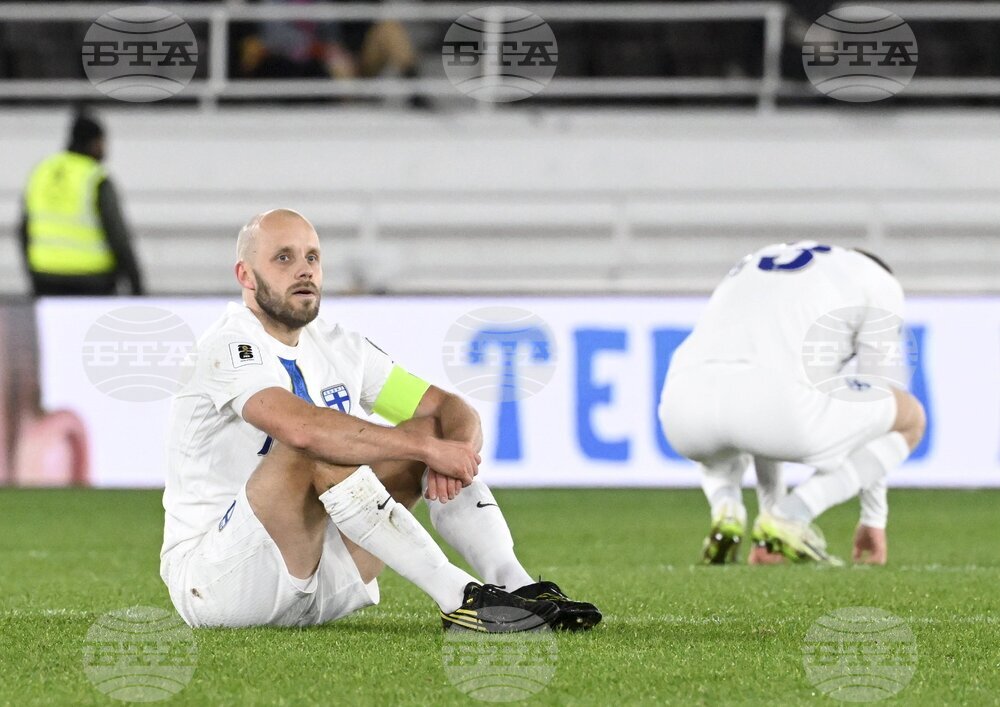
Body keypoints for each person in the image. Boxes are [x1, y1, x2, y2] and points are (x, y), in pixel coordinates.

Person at [160, 208, 601, 631]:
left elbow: (447, 408)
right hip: (217, 582)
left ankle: (515, 583)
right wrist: (427, 450)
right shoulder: (227, 344)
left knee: (425, 430)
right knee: (322, 442)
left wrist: (453, 453)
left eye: (312, 257)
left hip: (321, 579)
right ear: (245, 275)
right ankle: (459, 598)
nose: (304, 270)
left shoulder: (339, 345)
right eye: (283, 258)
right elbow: (302, 430)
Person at [658, 242, 926, 566]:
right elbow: (875, 394)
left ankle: (726, 506)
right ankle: (793, 516)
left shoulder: (760, 258)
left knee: (741, 414)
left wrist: (768, 511)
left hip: (681, 408)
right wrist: (873, 517)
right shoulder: (879, 281)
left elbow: (755, 413)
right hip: (771, 405)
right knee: (910, 417)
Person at [19, 112, 144, 296]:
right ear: (95, 143)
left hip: (44, 277)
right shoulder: (95, 177)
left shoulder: (42, 171)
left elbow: (23, 230)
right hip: (93, 279)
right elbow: (118, 235)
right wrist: (136, 284)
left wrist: (31, 272)